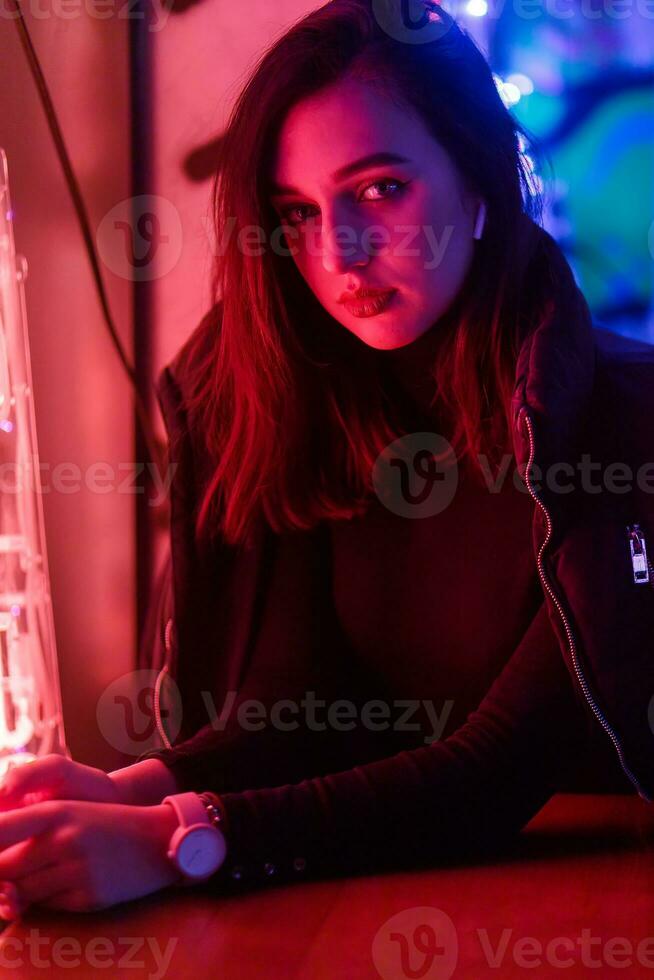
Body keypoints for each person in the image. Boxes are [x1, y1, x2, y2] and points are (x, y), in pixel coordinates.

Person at [0, 0, 653, 917]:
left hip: (602, 899)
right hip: (388, 895)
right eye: (296, 212)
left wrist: (178, 839)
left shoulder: (627, 422)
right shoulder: (296, 400)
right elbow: (289, 715)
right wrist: (138, 788)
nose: (338, 252)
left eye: (381, 189)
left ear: (478, 185)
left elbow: (499, 769)